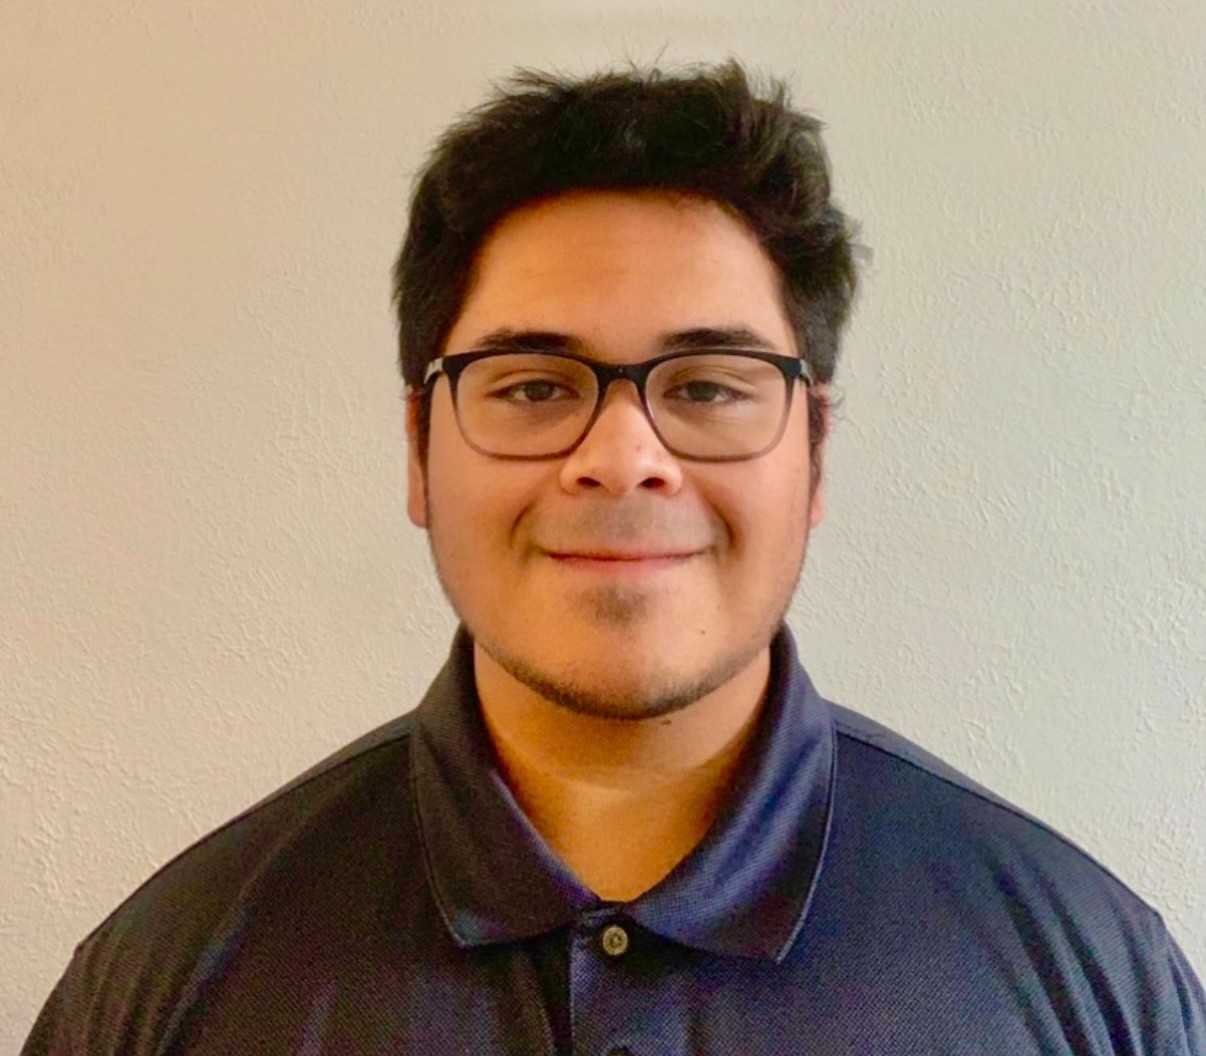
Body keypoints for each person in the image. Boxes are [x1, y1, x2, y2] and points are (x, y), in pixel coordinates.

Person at [22, 61, 1204, 1056]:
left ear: (816, 450)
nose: (624, 456)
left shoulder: (1084, 982)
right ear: (420, 453)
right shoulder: (172, 983)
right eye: (535, 387)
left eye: (706, 387)